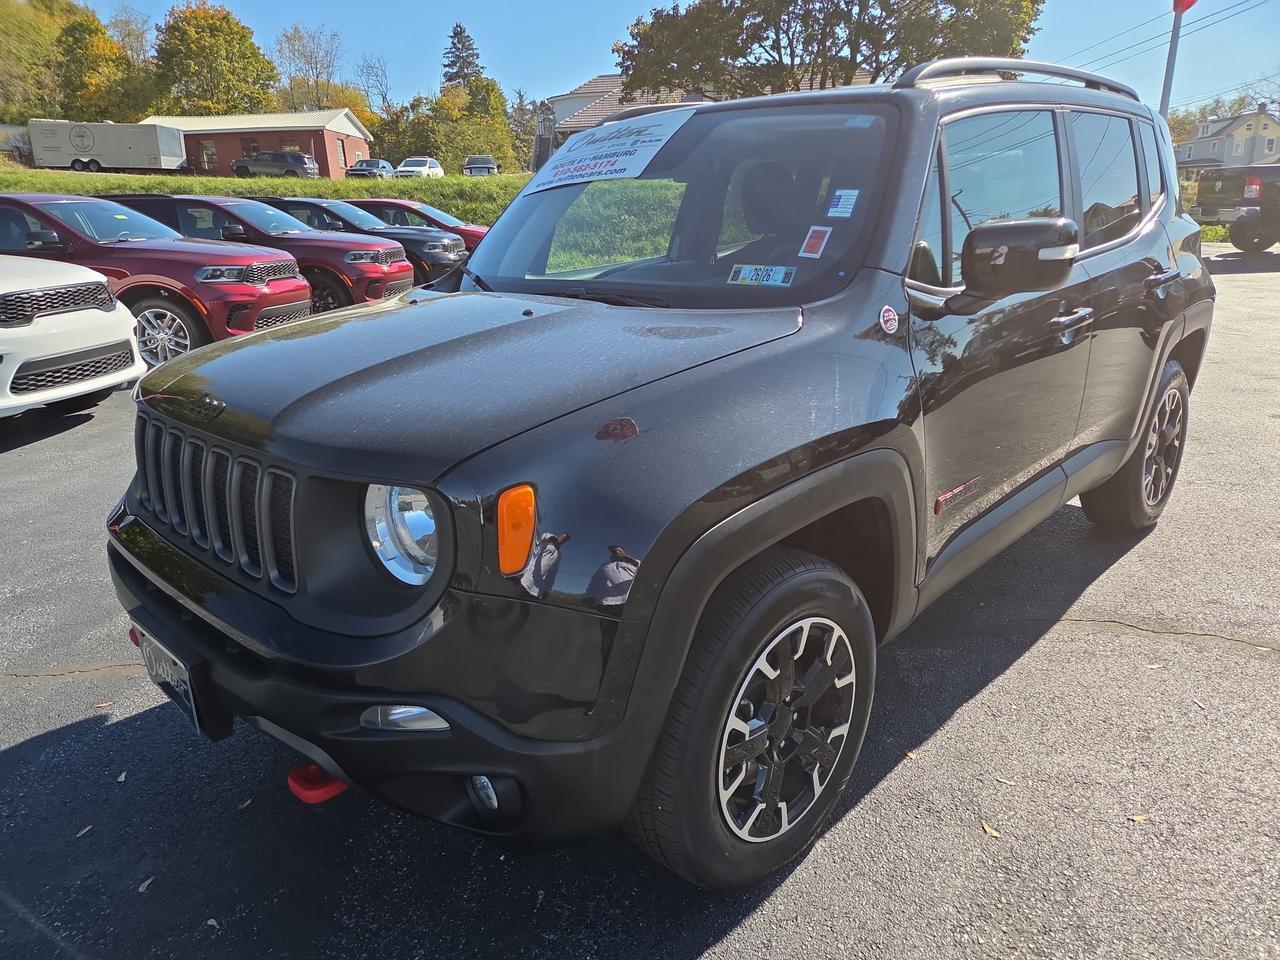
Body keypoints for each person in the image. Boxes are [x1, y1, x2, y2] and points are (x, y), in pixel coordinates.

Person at [519, 531, 570, 599]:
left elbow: (552, 573)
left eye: (564, 539)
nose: (562, 539)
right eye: (562, 537)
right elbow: (539, 540)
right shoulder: (548, 542)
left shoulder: (558, 555)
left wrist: (547, 589)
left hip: (537, 587)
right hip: (527, 578)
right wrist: (549, 537)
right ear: (559, 535)